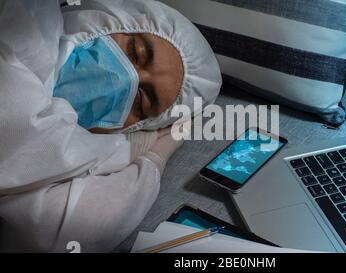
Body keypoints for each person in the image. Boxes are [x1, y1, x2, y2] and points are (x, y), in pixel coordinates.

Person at [0, 0, 221, 252]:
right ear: (107, 14)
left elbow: (65, 232)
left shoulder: (64, 160)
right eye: (135, 52)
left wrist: (154, 155)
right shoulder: (21, 16)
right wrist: (133, 150)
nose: (125, 79)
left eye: (142, 99)